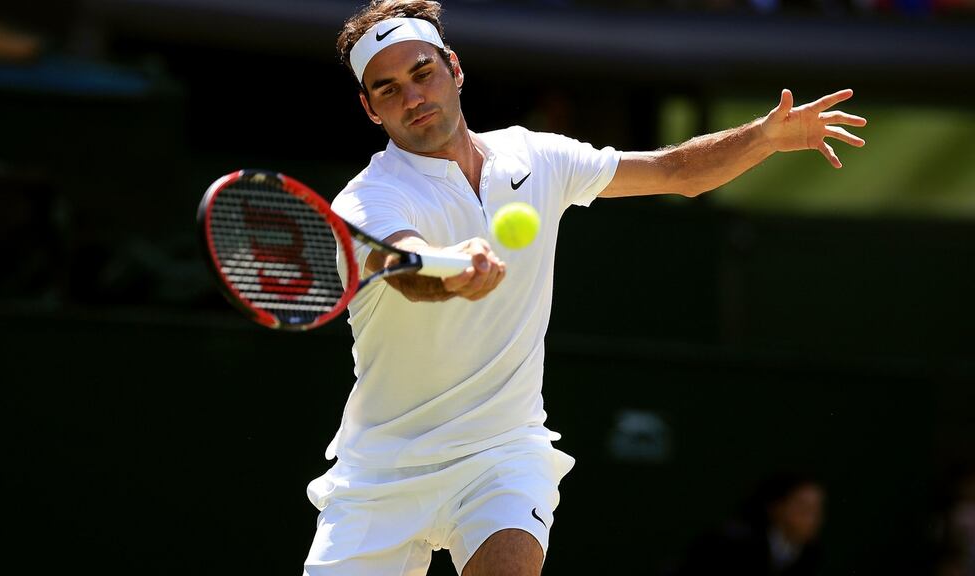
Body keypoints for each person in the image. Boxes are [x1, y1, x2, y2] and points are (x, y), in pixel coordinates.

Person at [305, 2, 867, 574]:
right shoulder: (367, 200)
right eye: (389, 89)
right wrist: (451, 265)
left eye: (423, 73)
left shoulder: (536, 156)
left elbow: (677, 172)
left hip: (501, 454)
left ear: (454, 69)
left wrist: (764, 136)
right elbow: (407, 271)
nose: (413, 98)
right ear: (369, 108)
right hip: (382, 476)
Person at [679, 473, 826, 576]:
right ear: (776, 508)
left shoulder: (809, 553)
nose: (814, 519)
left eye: (817, 510)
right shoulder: (731, 544)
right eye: (804, 509)